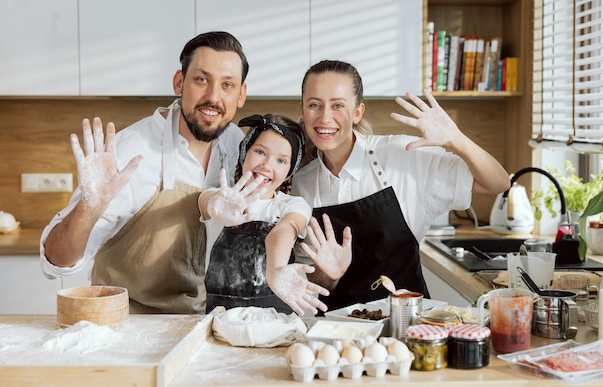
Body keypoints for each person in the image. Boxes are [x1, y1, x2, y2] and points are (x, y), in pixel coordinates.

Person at [39, 31, 249, 314]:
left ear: (241, 95)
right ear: (179, 82)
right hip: (127, 325)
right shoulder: (130, 153)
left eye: (227, 85)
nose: (213, 97)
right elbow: (56, 262)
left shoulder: (240, 147)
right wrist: (89, 208)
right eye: (201, 80)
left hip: (204, 323)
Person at [291, 60, 511, 311]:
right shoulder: (303, 183)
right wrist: (328, 276)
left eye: (338, 105)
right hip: (339, 332)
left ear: (357, 112)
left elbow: (498, 183)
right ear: (303, 110)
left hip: (408, 326)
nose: (325, 117)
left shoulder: (403, 155)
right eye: (314, 105)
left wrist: (455, 138)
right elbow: (313, 284)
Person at [199, 114, 329, 316]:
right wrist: (215, 205)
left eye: (281, 160)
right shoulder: (222, 196)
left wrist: (276, 270)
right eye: (260, 151)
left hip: (274, 318)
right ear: (244, 152)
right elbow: (206, 202)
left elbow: (285, 230)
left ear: (290, 169)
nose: (267, 165)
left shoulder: (293, 205)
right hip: (220, 318)